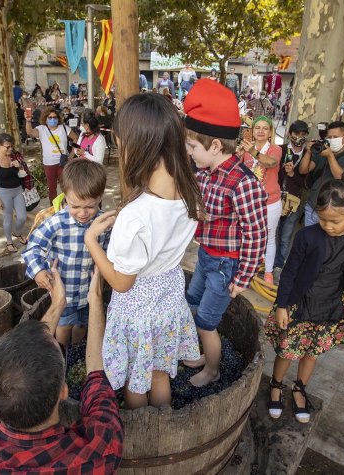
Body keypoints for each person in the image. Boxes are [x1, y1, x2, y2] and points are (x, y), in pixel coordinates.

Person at [0, 263, 123, 473]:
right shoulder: (96, 456)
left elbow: (10, 375)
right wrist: (96, 300)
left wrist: (57, 304)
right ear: (63, 392)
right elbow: (97, 381)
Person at [83, 93, 202, 409]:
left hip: (137, 311)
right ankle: (163, 422)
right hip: (168, 298)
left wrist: (92, 242)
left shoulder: (136, 215)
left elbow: (122, 282)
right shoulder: (189, 189)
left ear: (137, 146)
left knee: (137, 381)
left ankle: (143, 433)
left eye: (120, 144)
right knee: (160, 375)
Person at [265, 171, 344, 422]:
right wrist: (282, 305)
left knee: (311, 352)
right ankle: (276, 385)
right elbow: (289, 273)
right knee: (287, 350)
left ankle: (300, 389)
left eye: (335, 221)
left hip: (330, 307)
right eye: (323, 220)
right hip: (299, 305)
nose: (328, 226)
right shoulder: (306, 237)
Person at [183, 79, 268, 387]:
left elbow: (256, 233)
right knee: (192, 301)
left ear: (215, 146)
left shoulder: (243, 182)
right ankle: (201, 353)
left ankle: (212, 369)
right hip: (207, 255)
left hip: (225, 266)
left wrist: (243, 277)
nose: (189, 152)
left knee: (207, 322)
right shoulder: (204, 172)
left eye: (193, 147)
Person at [22, 160, 109, 347]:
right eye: (75, 206)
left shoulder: (103, 224)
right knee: (63, 327)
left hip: (90, 291)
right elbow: (33, 247)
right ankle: (63, 353)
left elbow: (110, 251)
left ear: (100, 196)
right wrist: (38, 271)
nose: (83, 213)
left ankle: (76, 353)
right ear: (65, 196)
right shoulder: (57, 222)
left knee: (83, 325)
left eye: (90, 206)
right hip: (64, 292)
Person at [238, 116, 282, 284]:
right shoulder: (246, 148)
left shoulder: (275, 149)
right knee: (246, 235)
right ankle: (246, 269)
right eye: (257, 128)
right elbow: (235, 166)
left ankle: (268, 272)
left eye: (265, 128)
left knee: (269, 237)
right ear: (252, 131)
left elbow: (271, 163)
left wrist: (252, 151)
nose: (261, 131)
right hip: (249, 201)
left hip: (270, 202)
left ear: (270, 132)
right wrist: (240, 153)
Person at [298, 120, 344, 226]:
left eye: (335, 137)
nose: (332, 140)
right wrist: (309, 151)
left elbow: (343, 179)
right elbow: (303, 170)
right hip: (312, 207)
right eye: (329, 137)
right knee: (310, 240)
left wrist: (330, 156)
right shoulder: (321, 152)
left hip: (333, 212)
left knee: (327, 242)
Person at [274, 120, 311, 276]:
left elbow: (307, 183)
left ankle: (278, 266)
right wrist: (283, 171)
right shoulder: (280, 150)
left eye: (303, 134)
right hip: (275, 199)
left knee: (285, 236)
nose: (299, 137)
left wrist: (292, 174)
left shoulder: (308, 156)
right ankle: (265, 263)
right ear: (290, 134)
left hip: (293, 202)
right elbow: (271, 174)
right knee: (271, 233)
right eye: (296, 133)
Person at [0, 133, 31, 256]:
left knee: (22, 216)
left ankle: (17, 233)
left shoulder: (14, 156)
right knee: (8, 217)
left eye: (11, 146)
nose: (10, 149)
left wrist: (19, 166)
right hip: (4, 191)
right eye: (7, 147)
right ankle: (9, 242)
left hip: (17, 189)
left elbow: (24, 173)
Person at [25, 106, 77, 200]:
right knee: (52, 188)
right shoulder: (41, 129)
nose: (52, 119)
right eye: (50, 117)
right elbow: (30, 132)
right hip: (49, 163)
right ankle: (54, 209)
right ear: (45, 118)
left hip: (63, 163)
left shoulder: (64, 128)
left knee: (66, 186)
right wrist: (28, 121)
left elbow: (75, 138)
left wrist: (72, 154)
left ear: (58, 118)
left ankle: (68, 206)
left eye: (55, 117)